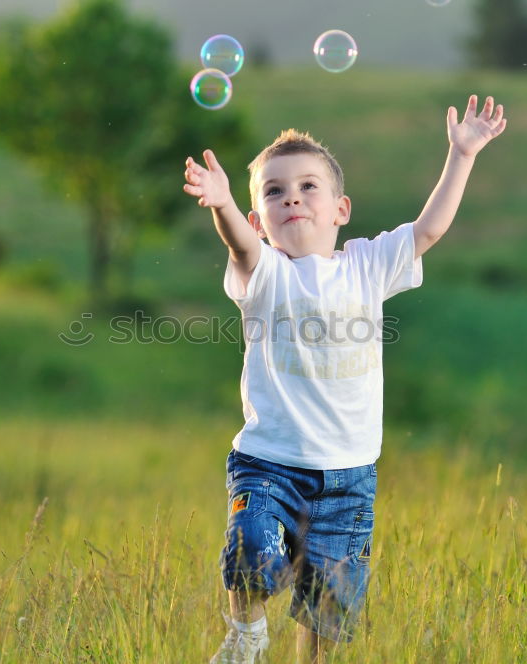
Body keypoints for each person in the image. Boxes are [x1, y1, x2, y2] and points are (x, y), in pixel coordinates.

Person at [183, 94, 507, 664]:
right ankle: (247, 635)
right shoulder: (264, 273)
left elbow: (428, 230)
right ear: (260, 218)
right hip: (270, 461)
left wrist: (462, 156)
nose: (293, 198)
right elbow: (238, 242)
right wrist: (223, 204)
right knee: (252, 547)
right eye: (275, 192)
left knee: (329, 611)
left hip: (350, 475)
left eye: (309, 187)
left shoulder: (366, 264)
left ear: (341, 209)